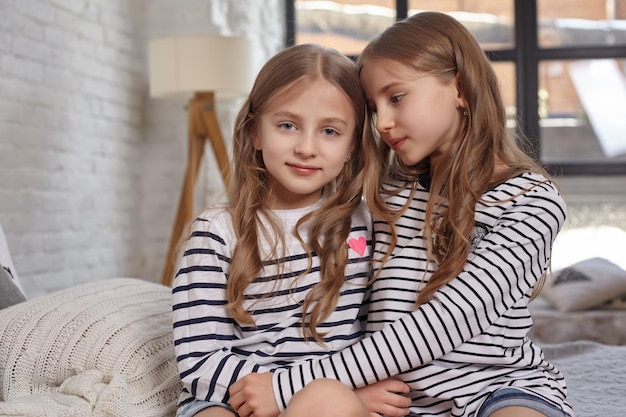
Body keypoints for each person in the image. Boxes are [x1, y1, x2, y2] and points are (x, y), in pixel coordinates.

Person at [228, 11, 574, 417]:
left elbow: (446, 323)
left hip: (499, 391)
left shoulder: (531, 202)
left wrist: (287, 386)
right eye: (374, 109)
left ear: (459, 87)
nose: (384, 123)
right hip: (394, 400)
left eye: (396, 98)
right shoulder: (387, 192)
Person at [171, 43, 411, 417]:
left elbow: (379, 337)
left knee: (327, 403)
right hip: (232, 399)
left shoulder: (365, 227)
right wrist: (281, 393)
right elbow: (199, 363)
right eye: (287, 125)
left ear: (352, 146)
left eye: (330, 131)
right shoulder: (216, 232)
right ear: (254, 132)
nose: (306, 147)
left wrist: (331, 394)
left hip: (332, 398)